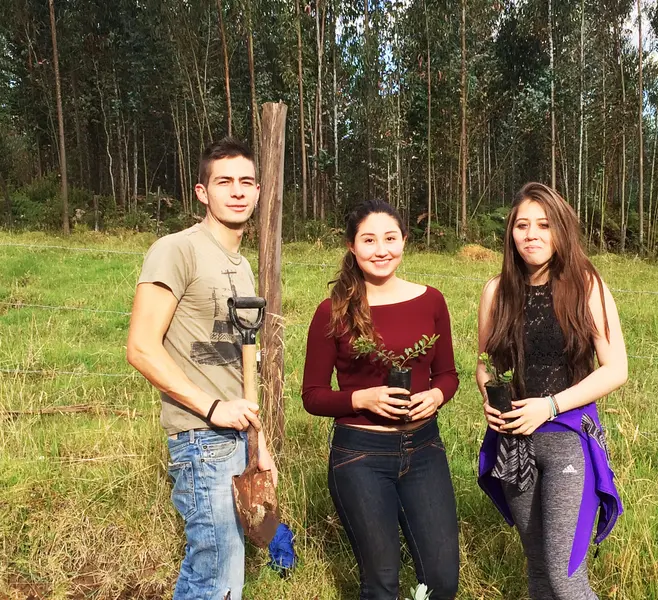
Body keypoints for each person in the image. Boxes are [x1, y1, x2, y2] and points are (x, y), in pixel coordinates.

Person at [126, 137, 277, 600]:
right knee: (216, 575)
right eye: (224, 181)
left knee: (223, 572)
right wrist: (212, 408)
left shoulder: (241, 266)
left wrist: (260, 441)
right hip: (200, 437)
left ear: (258, 190)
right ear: (201, 191)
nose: (237, 191)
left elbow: (240, 367)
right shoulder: (177, 250)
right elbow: (141, 348)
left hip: (235, 434)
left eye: (246, 182)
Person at [302, 199, 460, 600]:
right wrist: (362, 398)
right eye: (368, 240)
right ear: (352, 247)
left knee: (441, 580)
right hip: (361, 457)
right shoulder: (332, 312)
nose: (381, 249)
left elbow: (447, 374)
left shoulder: (431, 301)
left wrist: (437, 396)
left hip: (425, 450)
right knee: (382, 582)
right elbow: (313, 395)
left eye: (390, 238)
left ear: (404, 240)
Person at [476, 182, 627, 599]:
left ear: (561, 230)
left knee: (565, 574)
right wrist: (490, 398)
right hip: (513, 443)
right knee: (539, 568)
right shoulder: (496, 291)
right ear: (511, 233)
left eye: (543, 225)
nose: (532, 234)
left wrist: (550, 405)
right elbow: (485, 364)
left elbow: (615, 369)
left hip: (568, 441)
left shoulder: (586, 286)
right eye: (522, 225)